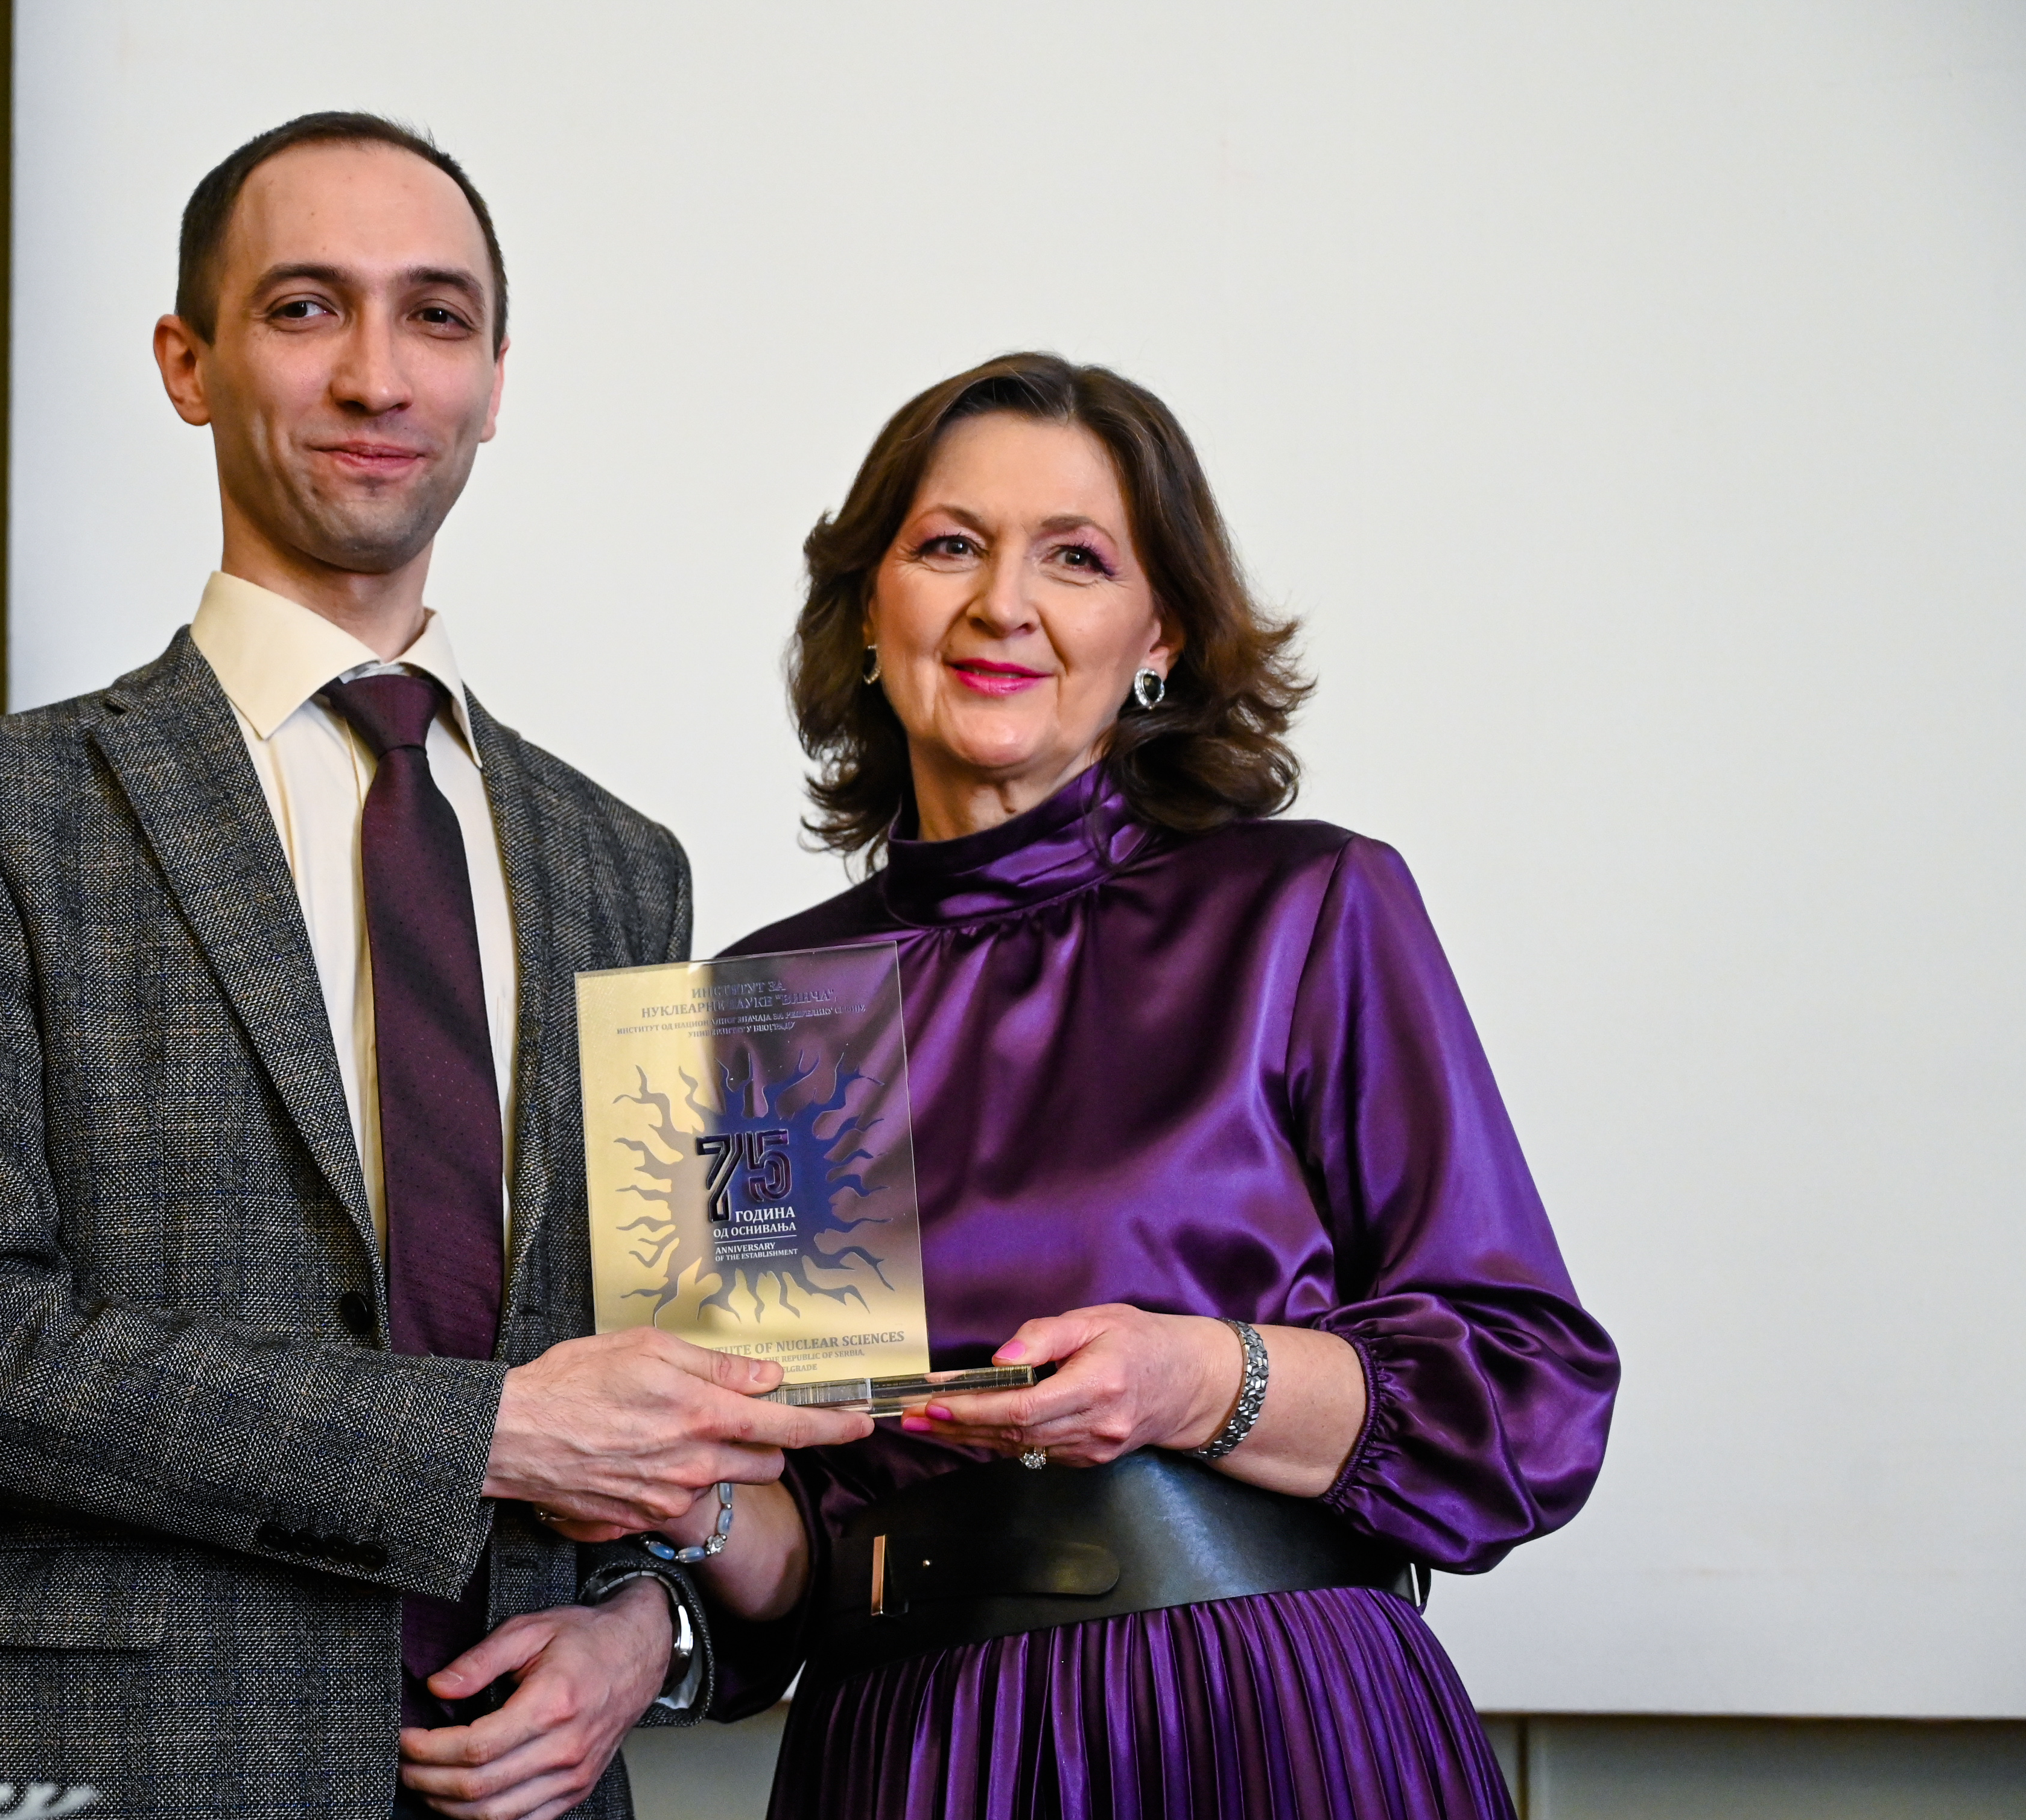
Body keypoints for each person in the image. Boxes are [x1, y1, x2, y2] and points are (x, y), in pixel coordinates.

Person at [0, 113, 868, 1820]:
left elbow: (697, 1405)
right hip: (123, 1770)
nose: (379, 376)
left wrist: (644, 1637)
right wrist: (486, 1433)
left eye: (435, 317)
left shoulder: (625, 867)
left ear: (495, 381)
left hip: (527, 1787)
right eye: (307, 307)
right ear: (188, 362)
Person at [615, 352, 1619, 1816]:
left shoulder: (1303, 908)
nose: (1001, 604)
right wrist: (683, 1483)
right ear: (869, 611)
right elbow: (804, 1558)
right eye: (947, 545)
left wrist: (1194, 1379)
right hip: (911, 1754)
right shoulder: (769, 1008)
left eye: (1074, 558)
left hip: (1267, 1720)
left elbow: (1528, 1394)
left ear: (1158, 635)